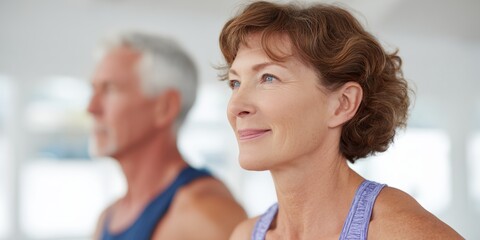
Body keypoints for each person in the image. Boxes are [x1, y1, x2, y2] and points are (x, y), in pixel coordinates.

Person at [218, 1, 464, 239]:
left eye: (268, 78)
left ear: (342, 104)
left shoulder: (402, 232)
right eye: (235, 83)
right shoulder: (244, 235)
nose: (236, 106)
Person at [87, 31, 247, 240]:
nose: (91, 108)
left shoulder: (205, 214)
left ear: (165, 107)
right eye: (94, 90)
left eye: (110, 89)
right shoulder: (108, 217)